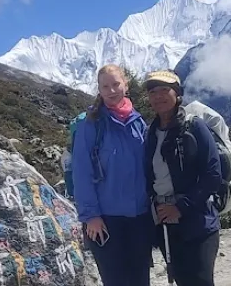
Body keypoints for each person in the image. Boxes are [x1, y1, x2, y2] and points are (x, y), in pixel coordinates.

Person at [70, 63, 153, 286]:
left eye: (116, 84)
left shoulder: (138, 123)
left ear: (126, 85)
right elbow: (81, 172)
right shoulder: (91, 125)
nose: (112, 90)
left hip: (139, 217)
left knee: (140, 280)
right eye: (105, 86)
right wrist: (91, 216)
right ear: (99, 89)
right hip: (106, 220)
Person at [142, 70, 222, 286]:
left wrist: (180, 206)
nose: (158, 96)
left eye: (164, 90)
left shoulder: (194, 126)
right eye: (153, 92)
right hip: (166, 224)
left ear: (177, 94)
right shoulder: (150, 132)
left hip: (198, 223)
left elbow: (213, 174)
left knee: (201, 281)